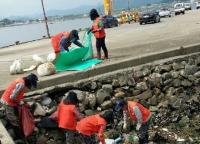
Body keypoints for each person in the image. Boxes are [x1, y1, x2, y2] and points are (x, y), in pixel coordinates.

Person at [0, 73, 38, 139]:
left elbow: (17, 95)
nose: (29, 87)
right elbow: (12, 97)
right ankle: (19, 137)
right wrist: (19, 102)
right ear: (28, 82)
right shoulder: (21, 84)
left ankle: (18, 130)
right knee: (14, 120)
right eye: (31, 84)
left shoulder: (21, 80)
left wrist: (21, 101)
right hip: (7, 102)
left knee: (17, 115)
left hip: (11, 102)